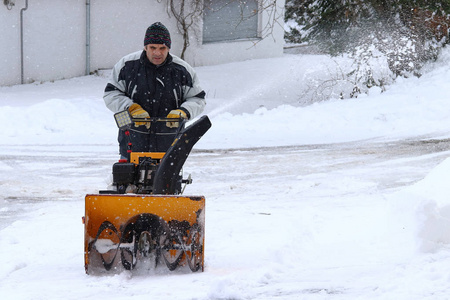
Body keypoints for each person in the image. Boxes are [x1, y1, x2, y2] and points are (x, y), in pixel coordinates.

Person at [103, 22, 206, 159]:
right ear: (145, 47)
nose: (157, 53)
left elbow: (197, 99)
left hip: (170, 144)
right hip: (132, 143)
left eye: (162, 48)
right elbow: (111, 94)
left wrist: (183, 112)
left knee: (168, 180)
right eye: (153, 47)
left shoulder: (182, 70)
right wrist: (131, 108)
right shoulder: (127, 66)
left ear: (168, 48)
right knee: (126, 178)